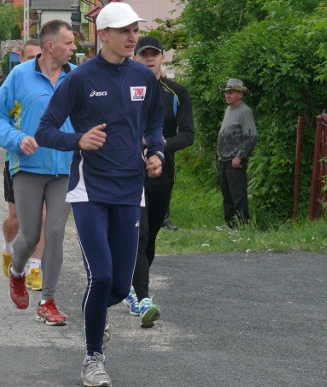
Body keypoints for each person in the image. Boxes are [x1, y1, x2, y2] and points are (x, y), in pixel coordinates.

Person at [34, 3, 164, 386]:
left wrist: (155, 153)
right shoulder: (81, 78)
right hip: (89, 190)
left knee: (120, 286)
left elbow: (155, 123)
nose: (132, 37)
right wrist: (80, 139)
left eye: (135, 30)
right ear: (102, 34)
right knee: (101, 275)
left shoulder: (144, 75)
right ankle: (93, 358)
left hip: (130, 189)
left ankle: (96, 317)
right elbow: (45, 130)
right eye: (124, 31)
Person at [0, 20, 76, 326]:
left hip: (65, 168)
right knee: (29, 234)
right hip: (27, 166)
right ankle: (17, 271)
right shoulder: (20, 76)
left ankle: (48, 301)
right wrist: (17, 139)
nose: (74, 48)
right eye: (69, 43)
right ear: (51, 46)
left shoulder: (75, 77)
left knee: (54, 232)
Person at [122, 36, 195, 327]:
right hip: (130, 172)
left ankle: (135, 286)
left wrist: (159, 146)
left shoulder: (176, 93)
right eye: (144, 55)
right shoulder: (127, 89)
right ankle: (140, 297)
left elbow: (188, 134)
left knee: (149, 237)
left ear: (163, 58)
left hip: (161, 173)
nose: (150, 59)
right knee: (137, 235)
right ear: (136, 59)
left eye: (155, 54)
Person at [0, 39, 46, 292]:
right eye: (31, 56)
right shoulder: (13, 83)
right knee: (16, 221)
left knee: (42, 218)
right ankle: (7, 247)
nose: (37, 60)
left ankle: (35, 268)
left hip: (46, 162)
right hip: (16, 161)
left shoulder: (51, 82)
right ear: (21, 60)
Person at [217, 78, 258, 228]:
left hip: (235, 160)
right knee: (227, 194)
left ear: (240, 94)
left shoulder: (245, 111)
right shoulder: (229, 109)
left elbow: (251, 135)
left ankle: (243, 226)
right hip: (224, 158)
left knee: (238, 195)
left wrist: (239, 156)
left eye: (231, 92)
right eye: (226, 92)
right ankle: (231, 224)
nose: (227, 95)